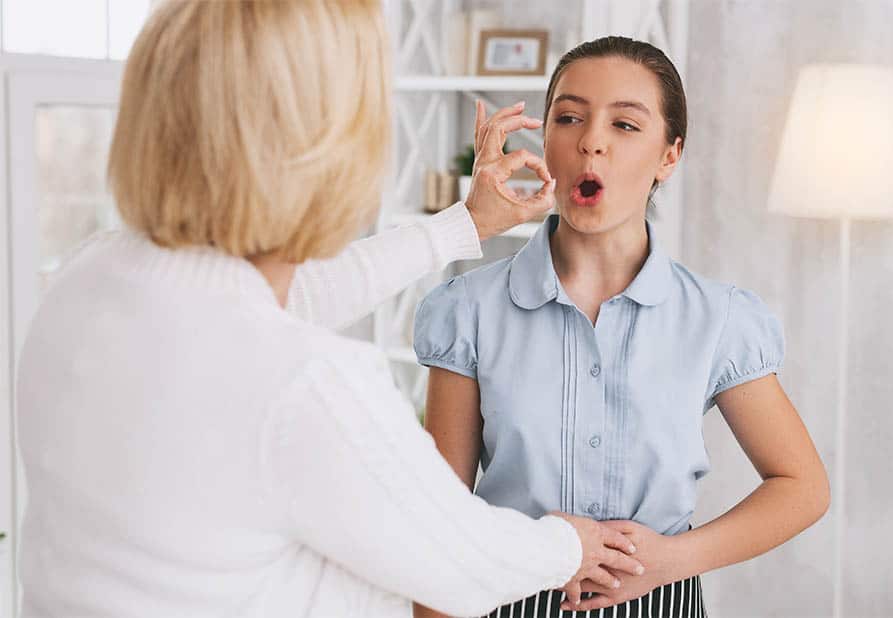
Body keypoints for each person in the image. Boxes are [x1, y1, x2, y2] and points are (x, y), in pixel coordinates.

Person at [14, 3, 645, 617]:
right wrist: (571, 543)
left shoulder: (86, 280)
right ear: (325, 147)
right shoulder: (301, 383)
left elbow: (285, 298)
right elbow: (465, 564)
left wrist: (466, 223)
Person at [413, 36, 831, 617]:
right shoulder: (468, 311)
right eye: (569, 117)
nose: (591, 141)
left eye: (626, 125)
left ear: (669, 155)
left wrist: (675, 558)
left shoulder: (719, 319)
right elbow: (440, 521)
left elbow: (801, 487)